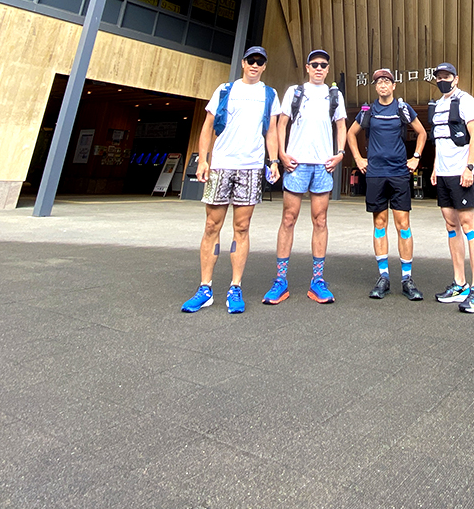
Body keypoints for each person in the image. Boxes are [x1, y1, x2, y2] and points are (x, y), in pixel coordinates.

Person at [181, 46, 280, 314]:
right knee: (212, 225)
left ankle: (235, 286)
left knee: (242, 227)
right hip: (222, 165)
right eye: (251, 60)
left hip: (250, 166)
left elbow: (271, 131)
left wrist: (273, 161)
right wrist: (203, 160)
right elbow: (207, 125)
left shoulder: (269, 94)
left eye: (260, 61)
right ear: (243, 63)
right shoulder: (225, 89)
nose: (255, 65)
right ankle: (205, 288)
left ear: (264, 66)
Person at [263, 48, 347, 304]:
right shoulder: (294, 92)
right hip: (296, 164)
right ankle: (280, 280)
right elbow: (281, 124)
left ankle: (317, 281)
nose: (319, 68)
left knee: (320, 220)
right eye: (315, 64)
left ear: (327, 69)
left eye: (323, 64)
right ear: (308, 68)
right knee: (288, 218)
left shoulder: (335, 95)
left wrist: (340, 153)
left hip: (323, 165)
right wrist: (281, 155)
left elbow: (341, 125)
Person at [346, 68, 427, 300]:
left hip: (399, 173)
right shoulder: (367, 111)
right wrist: (359, 158)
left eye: (386, 81)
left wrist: (416, 157)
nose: (383, 85)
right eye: (379, 82)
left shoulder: (403, 109)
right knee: (379, 223)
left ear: (393, 86)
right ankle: (383, 277)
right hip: (375, 174)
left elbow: (421, 133)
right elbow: (351, 134)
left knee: (403, 224)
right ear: (375, 87)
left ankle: (407, 279)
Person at [429, 62, 474, 313]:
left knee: (468, 225)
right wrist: (434, 168)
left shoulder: (466, 100)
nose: (443, 80)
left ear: (456, 78)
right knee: (451, 226)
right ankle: (460, 283)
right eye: (439, 77)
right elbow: (440, 141)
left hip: (461, 172)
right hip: (442, 173)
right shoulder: (439, 105)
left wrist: (470, 168)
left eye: (447, 76)